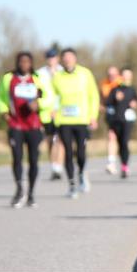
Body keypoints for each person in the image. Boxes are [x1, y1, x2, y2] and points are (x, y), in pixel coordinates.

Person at [0, 52, 50, 208]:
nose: (24, 64)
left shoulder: (38, 79)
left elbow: (49, 98)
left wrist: (39, 104)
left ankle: (31, 193)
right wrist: (4, 112)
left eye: (27, 62)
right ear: (17, 63)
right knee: (17, 158)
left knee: (33, 160)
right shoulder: (8, 78)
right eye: (21, 61)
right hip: (16, 125)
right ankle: (19, 189)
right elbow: (0, 97)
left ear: (31, 64)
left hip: (34, 125)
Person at [51, 48, 100, 199]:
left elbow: (93, 96)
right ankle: (72, 185)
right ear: (62, 60)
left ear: (75, 59)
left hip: (82, 119)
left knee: (80, 152)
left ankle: (81, 173)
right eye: (64, 58)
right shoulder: (57, 77)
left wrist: (93, 116)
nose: (67, 60)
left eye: (70, 58)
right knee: (66, 150)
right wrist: (52, 110)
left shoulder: (85, 74)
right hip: (64, 120)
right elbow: (52, 96)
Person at [37, 48, 65, 181]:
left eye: (53, 57)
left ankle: (58, 167)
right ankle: (54, 165)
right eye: (49, 58)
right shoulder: (40, 73)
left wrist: (58, 108)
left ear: (57, 58)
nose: (51, 60)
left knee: (60, 140)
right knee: (50, 140)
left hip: (61, 111)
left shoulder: (63, 72)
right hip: (46, 112)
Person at [107, 68, 137, 178]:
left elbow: (136, 101)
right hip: (116, 120)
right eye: (124, 74)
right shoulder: (115, 89)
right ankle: (120, 163)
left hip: (128, 120)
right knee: (120, 144)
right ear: (121, 76)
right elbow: (107, 103)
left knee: (125, 142)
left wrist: (134, 104)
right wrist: (115, 99)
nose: (126, 77)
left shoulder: (132, 89)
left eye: (128, 75)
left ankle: (125, 167)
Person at [100, 66, 123, 175]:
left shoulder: (122, 83)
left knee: (121, 140)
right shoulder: (104, 84)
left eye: (114, 75)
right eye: (109, 75)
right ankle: (111, 163)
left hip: (123, 116)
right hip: (110, 116)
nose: (111, 77)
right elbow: (102, 100)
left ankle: (123, 163)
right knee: (111, 136)